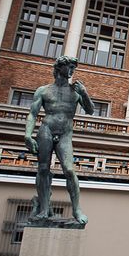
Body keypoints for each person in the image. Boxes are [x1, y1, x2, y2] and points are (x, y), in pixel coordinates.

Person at [25, 56, 94, 225]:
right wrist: (27, 135)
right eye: (69, 67)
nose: (72, 70)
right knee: (42, 169)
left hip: (65, 133)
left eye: (73, 68)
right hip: (46, 130)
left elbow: (90, 110)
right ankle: (43, 209)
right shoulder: (43, 90)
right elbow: (33, 114)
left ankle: (77, 209)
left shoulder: (76, 91)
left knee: (69, 170)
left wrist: (84, 92)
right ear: (59, 67)